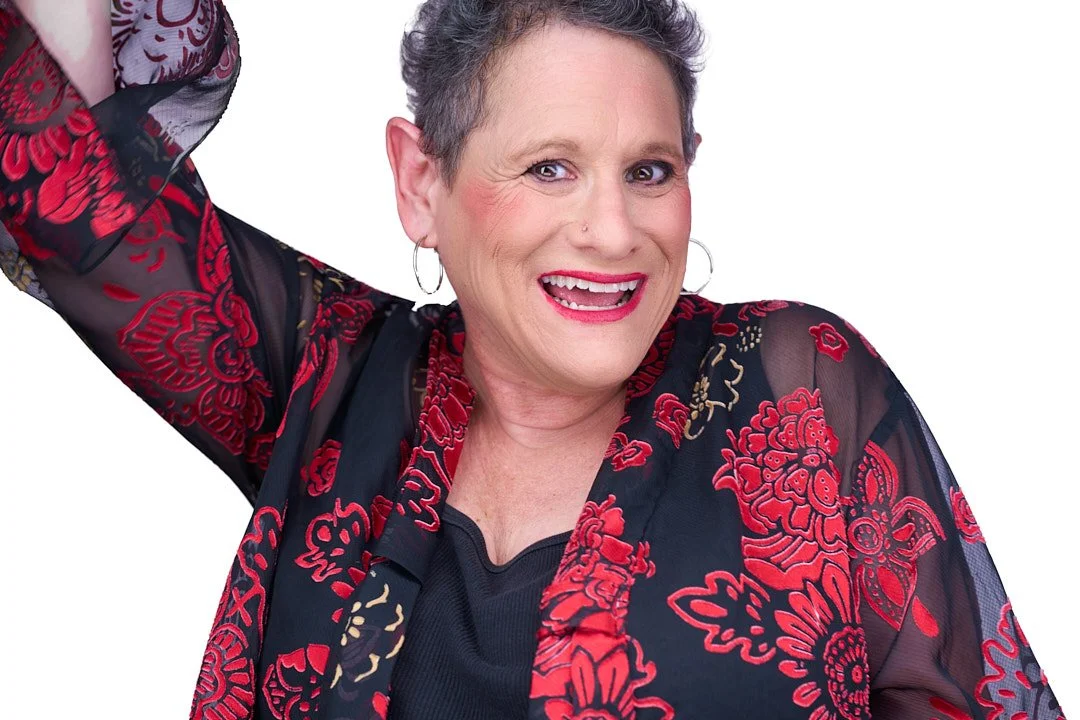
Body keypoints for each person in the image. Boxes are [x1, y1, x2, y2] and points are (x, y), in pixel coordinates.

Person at [0, 0, 1068, 717]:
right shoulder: (329, 380)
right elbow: (72, 187)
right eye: (550, 167)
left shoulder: (800, 389)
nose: (613, 231)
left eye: (649, 171)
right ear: (421, 183)